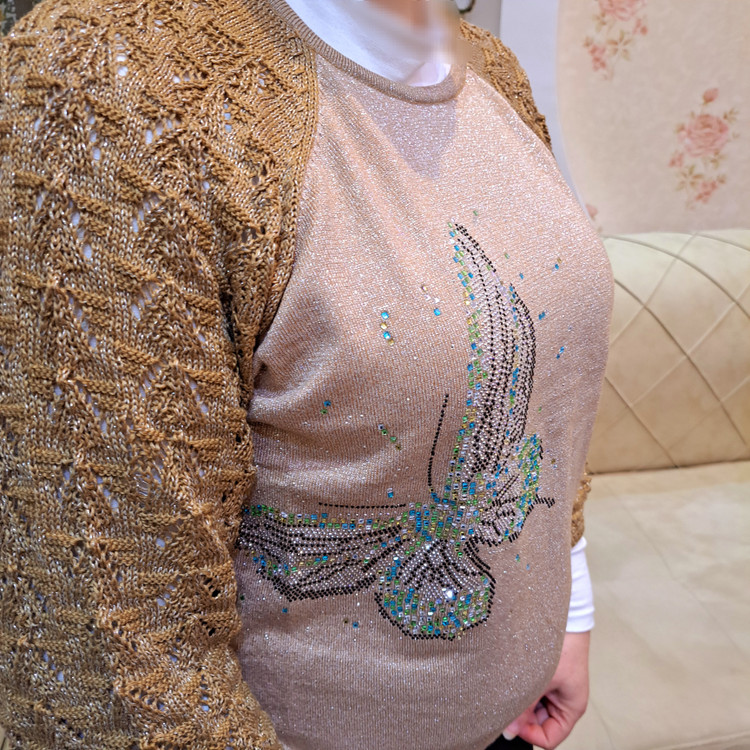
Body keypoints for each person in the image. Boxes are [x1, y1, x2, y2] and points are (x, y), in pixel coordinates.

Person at [0, 0, 612, 748]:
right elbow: (115, 630)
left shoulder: (490, 68)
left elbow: (543, 375)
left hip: (509, 722)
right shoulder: (107, 85)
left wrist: (569, 605)